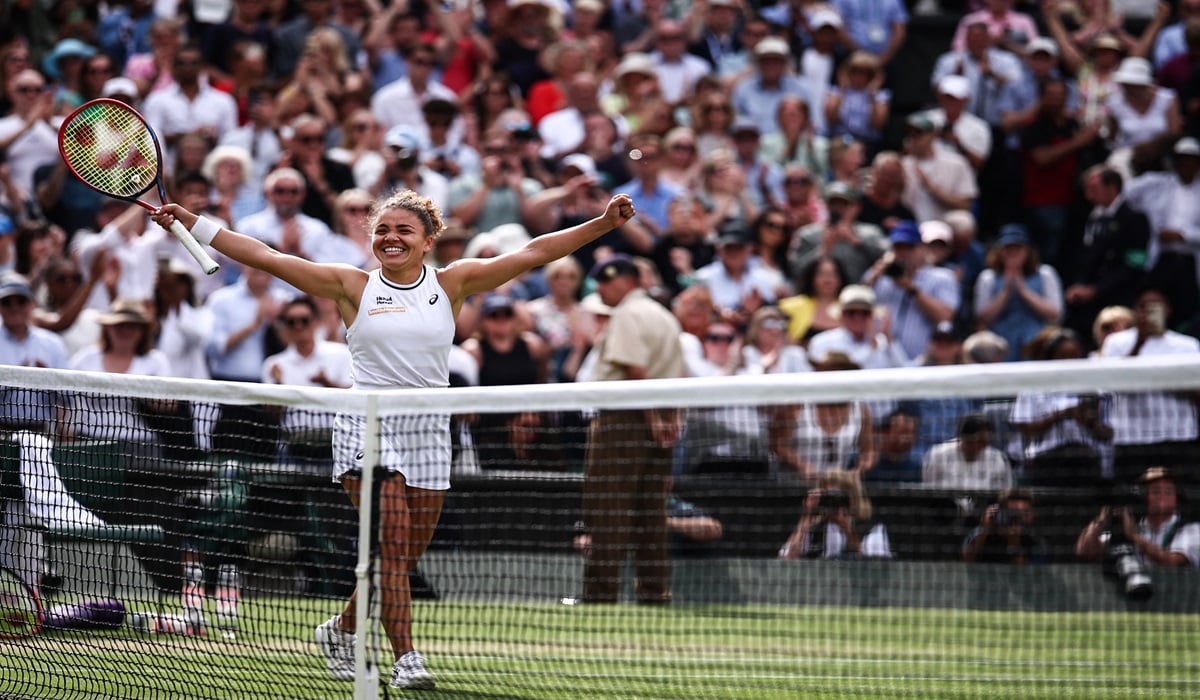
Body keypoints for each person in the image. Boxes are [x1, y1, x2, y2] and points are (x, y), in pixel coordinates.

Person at [152, 188, 637, 689]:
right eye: (382, 230)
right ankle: (407, 658)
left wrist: (601, 224)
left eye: (404, 230)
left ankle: (340, 628)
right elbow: (267, 256)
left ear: (429, 240)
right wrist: (195, 222)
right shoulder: (351, 286)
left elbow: (534, 252)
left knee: (400, 557)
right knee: (393, 538)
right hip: (368, 422)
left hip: (429, 427)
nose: (391, 238)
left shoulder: (454, 283)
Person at [566, 252, 684, 606]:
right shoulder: (664, 315)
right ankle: (654, 592)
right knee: (651, 512)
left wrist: (652, 419)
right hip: (660, 419)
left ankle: (599, 595)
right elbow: (674, 375)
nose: (600, 288)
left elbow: (635, 370)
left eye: (605, 280)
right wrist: (670, 420)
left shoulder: (627, 315)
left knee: (607, 510)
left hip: (624, 420)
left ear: (626, 280)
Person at [1076, 467, 1200, 568]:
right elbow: (1085, 552)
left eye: (1168, 491)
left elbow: (1172, 562)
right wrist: (1100, 522)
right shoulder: (1132, 527)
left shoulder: (1191, 529)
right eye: (1155, 491)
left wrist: (1134, 537)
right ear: (1144, 497)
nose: (1162, 495)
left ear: (1177, 499)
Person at [777, 471, 893, 560]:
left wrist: (847, 529)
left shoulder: (872, 529)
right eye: (828, 496)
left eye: (837, 496)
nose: (833, 502)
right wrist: (806, 517)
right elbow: (785, 562)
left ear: (852, 498)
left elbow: (876, 569)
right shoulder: (814, 530)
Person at [923, 413, 1012, 491]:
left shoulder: (997, 459)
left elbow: (1004, 492)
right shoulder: (938, 455)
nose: (981, 446)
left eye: (985, 442)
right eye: (978, 441)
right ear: (963, 438)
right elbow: (931, 490)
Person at [962, 488, 1049, 564]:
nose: (1017, 519)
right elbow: (968, 561)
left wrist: (1015, 545)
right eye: (1012, 513)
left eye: (1024, 513)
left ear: (1032, 515)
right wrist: (984, 530)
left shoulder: (1036, 541)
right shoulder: (983, 532)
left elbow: (1030, 577)